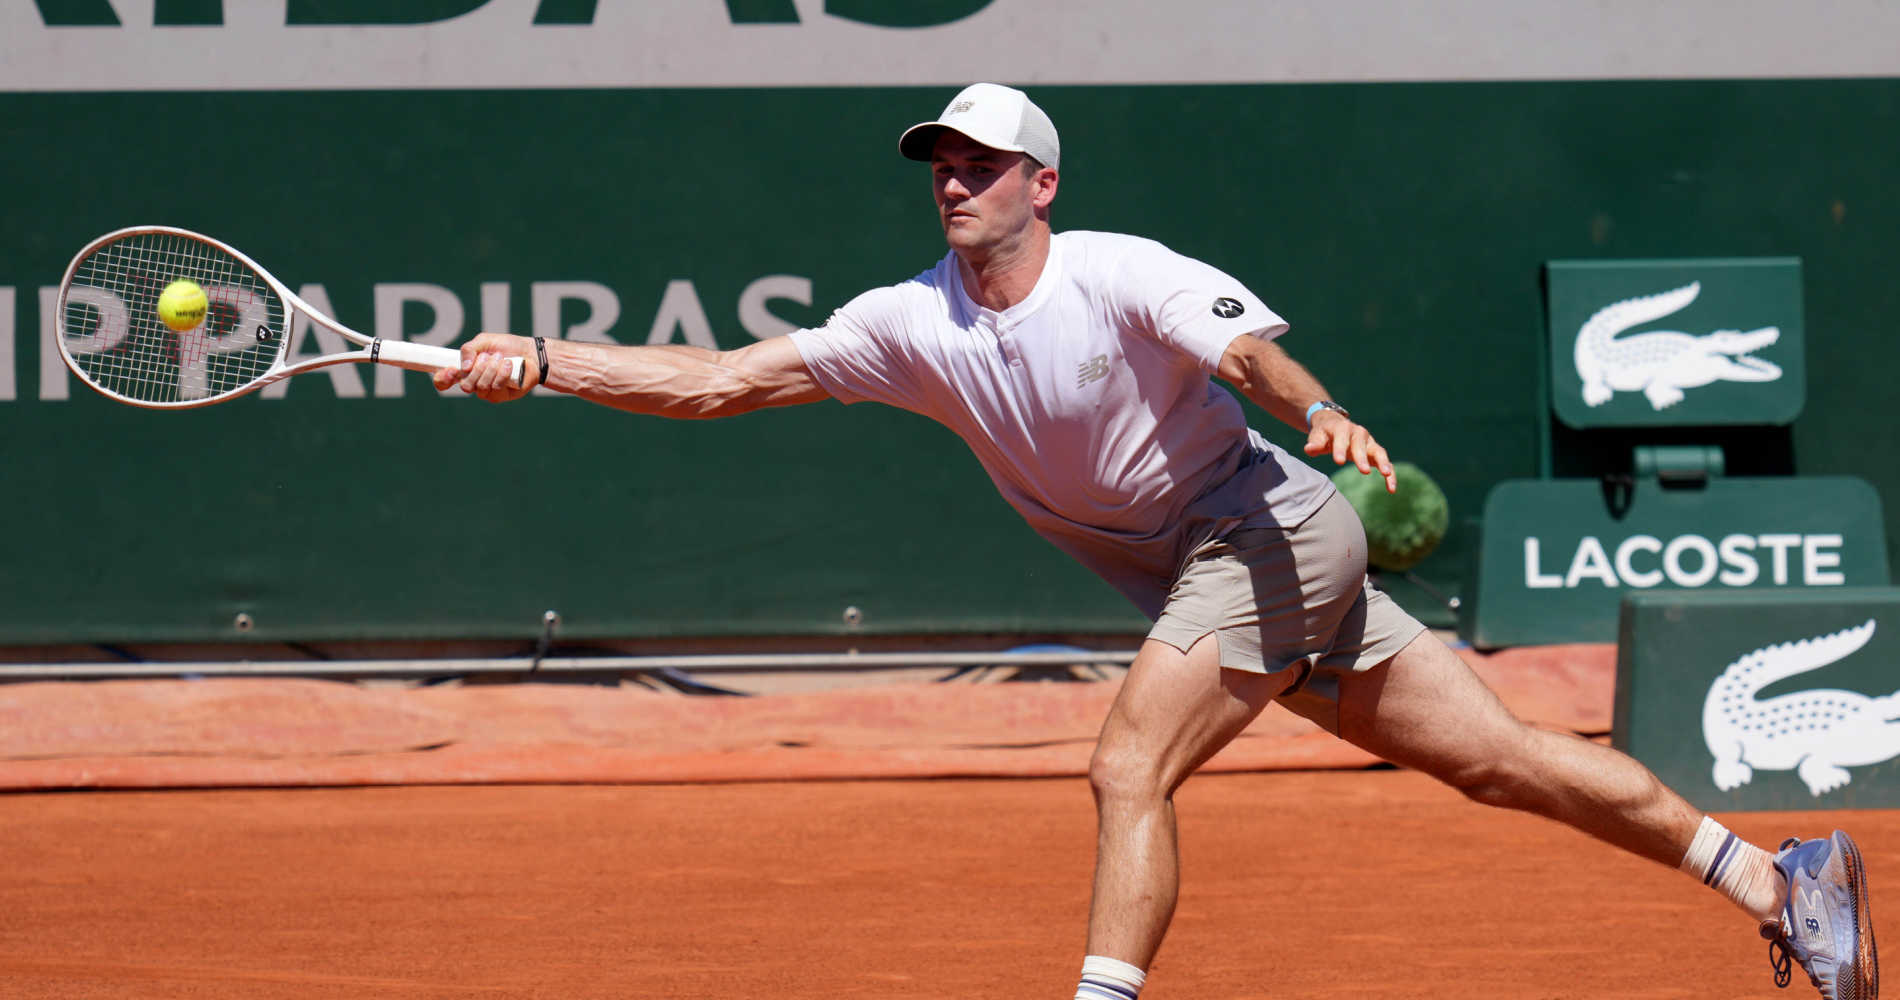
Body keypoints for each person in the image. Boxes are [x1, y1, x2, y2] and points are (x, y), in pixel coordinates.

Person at [434, 83, 1876, 999]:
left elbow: (1254, 362)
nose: (956, 181)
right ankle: (1780, 879)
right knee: (1499, 761)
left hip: (1270, 531)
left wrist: (1327, 414)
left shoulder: (1125, 277)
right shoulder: (904, 323)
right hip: (1223, 563)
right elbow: (717, 382)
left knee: (1127, 760)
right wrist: (543, 357)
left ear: (1041, 184)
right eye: (942, 161)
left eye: (985, 164)